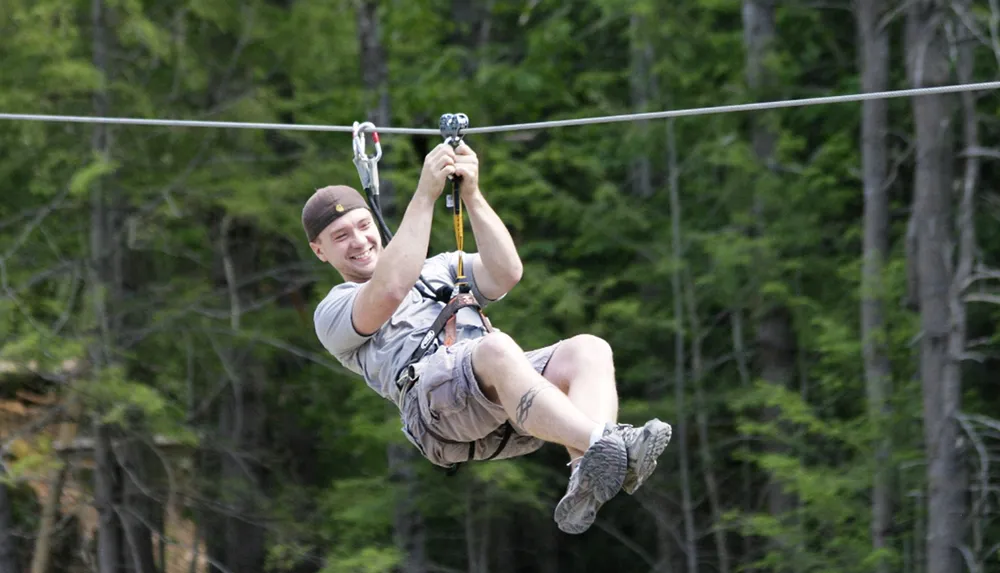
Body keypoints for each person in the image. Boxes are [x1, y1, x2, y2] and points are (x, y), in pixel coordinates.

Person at [303, 141, 672, 534]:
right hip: (435, 411)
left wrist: (473, 195)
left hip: (501, 396)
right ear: (319, 251)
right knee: (495, 348)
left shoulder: (440, 268)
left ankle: (588, 470)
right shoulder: (333, 312)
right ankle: (612, 444)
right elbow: (391, 288)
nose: (359, 241)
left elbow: (506, 272)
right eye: (341, 236)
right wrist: (425, 195)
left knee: (588, 349)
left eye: (363, 226)